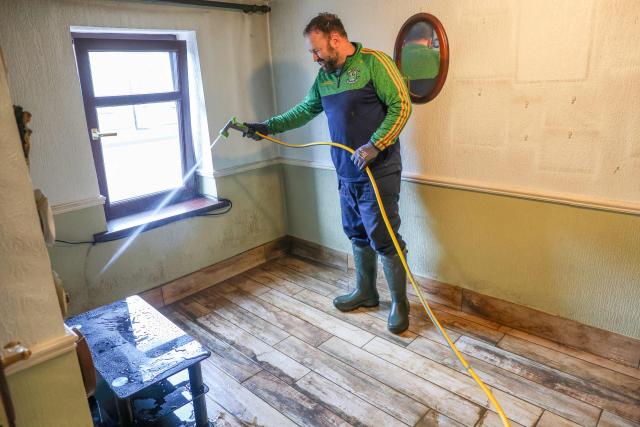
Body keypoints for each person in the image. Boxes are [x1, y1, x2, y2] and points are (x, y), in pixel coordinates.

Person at [243, 12, 412, 334]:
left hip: (379, 170)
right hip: (345, 171)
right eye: (311, 52)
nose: (314, 57)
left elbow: (401, 105)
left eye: (316, 49)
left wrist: (376, 145)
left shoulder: (374, 63)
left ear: (335, 39)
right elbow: (306, 109)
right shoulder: (324, 77)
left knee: (384, 236)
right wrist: (268, 126)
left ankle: (400, 305)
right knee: (356, 232)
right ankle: (366, 292)